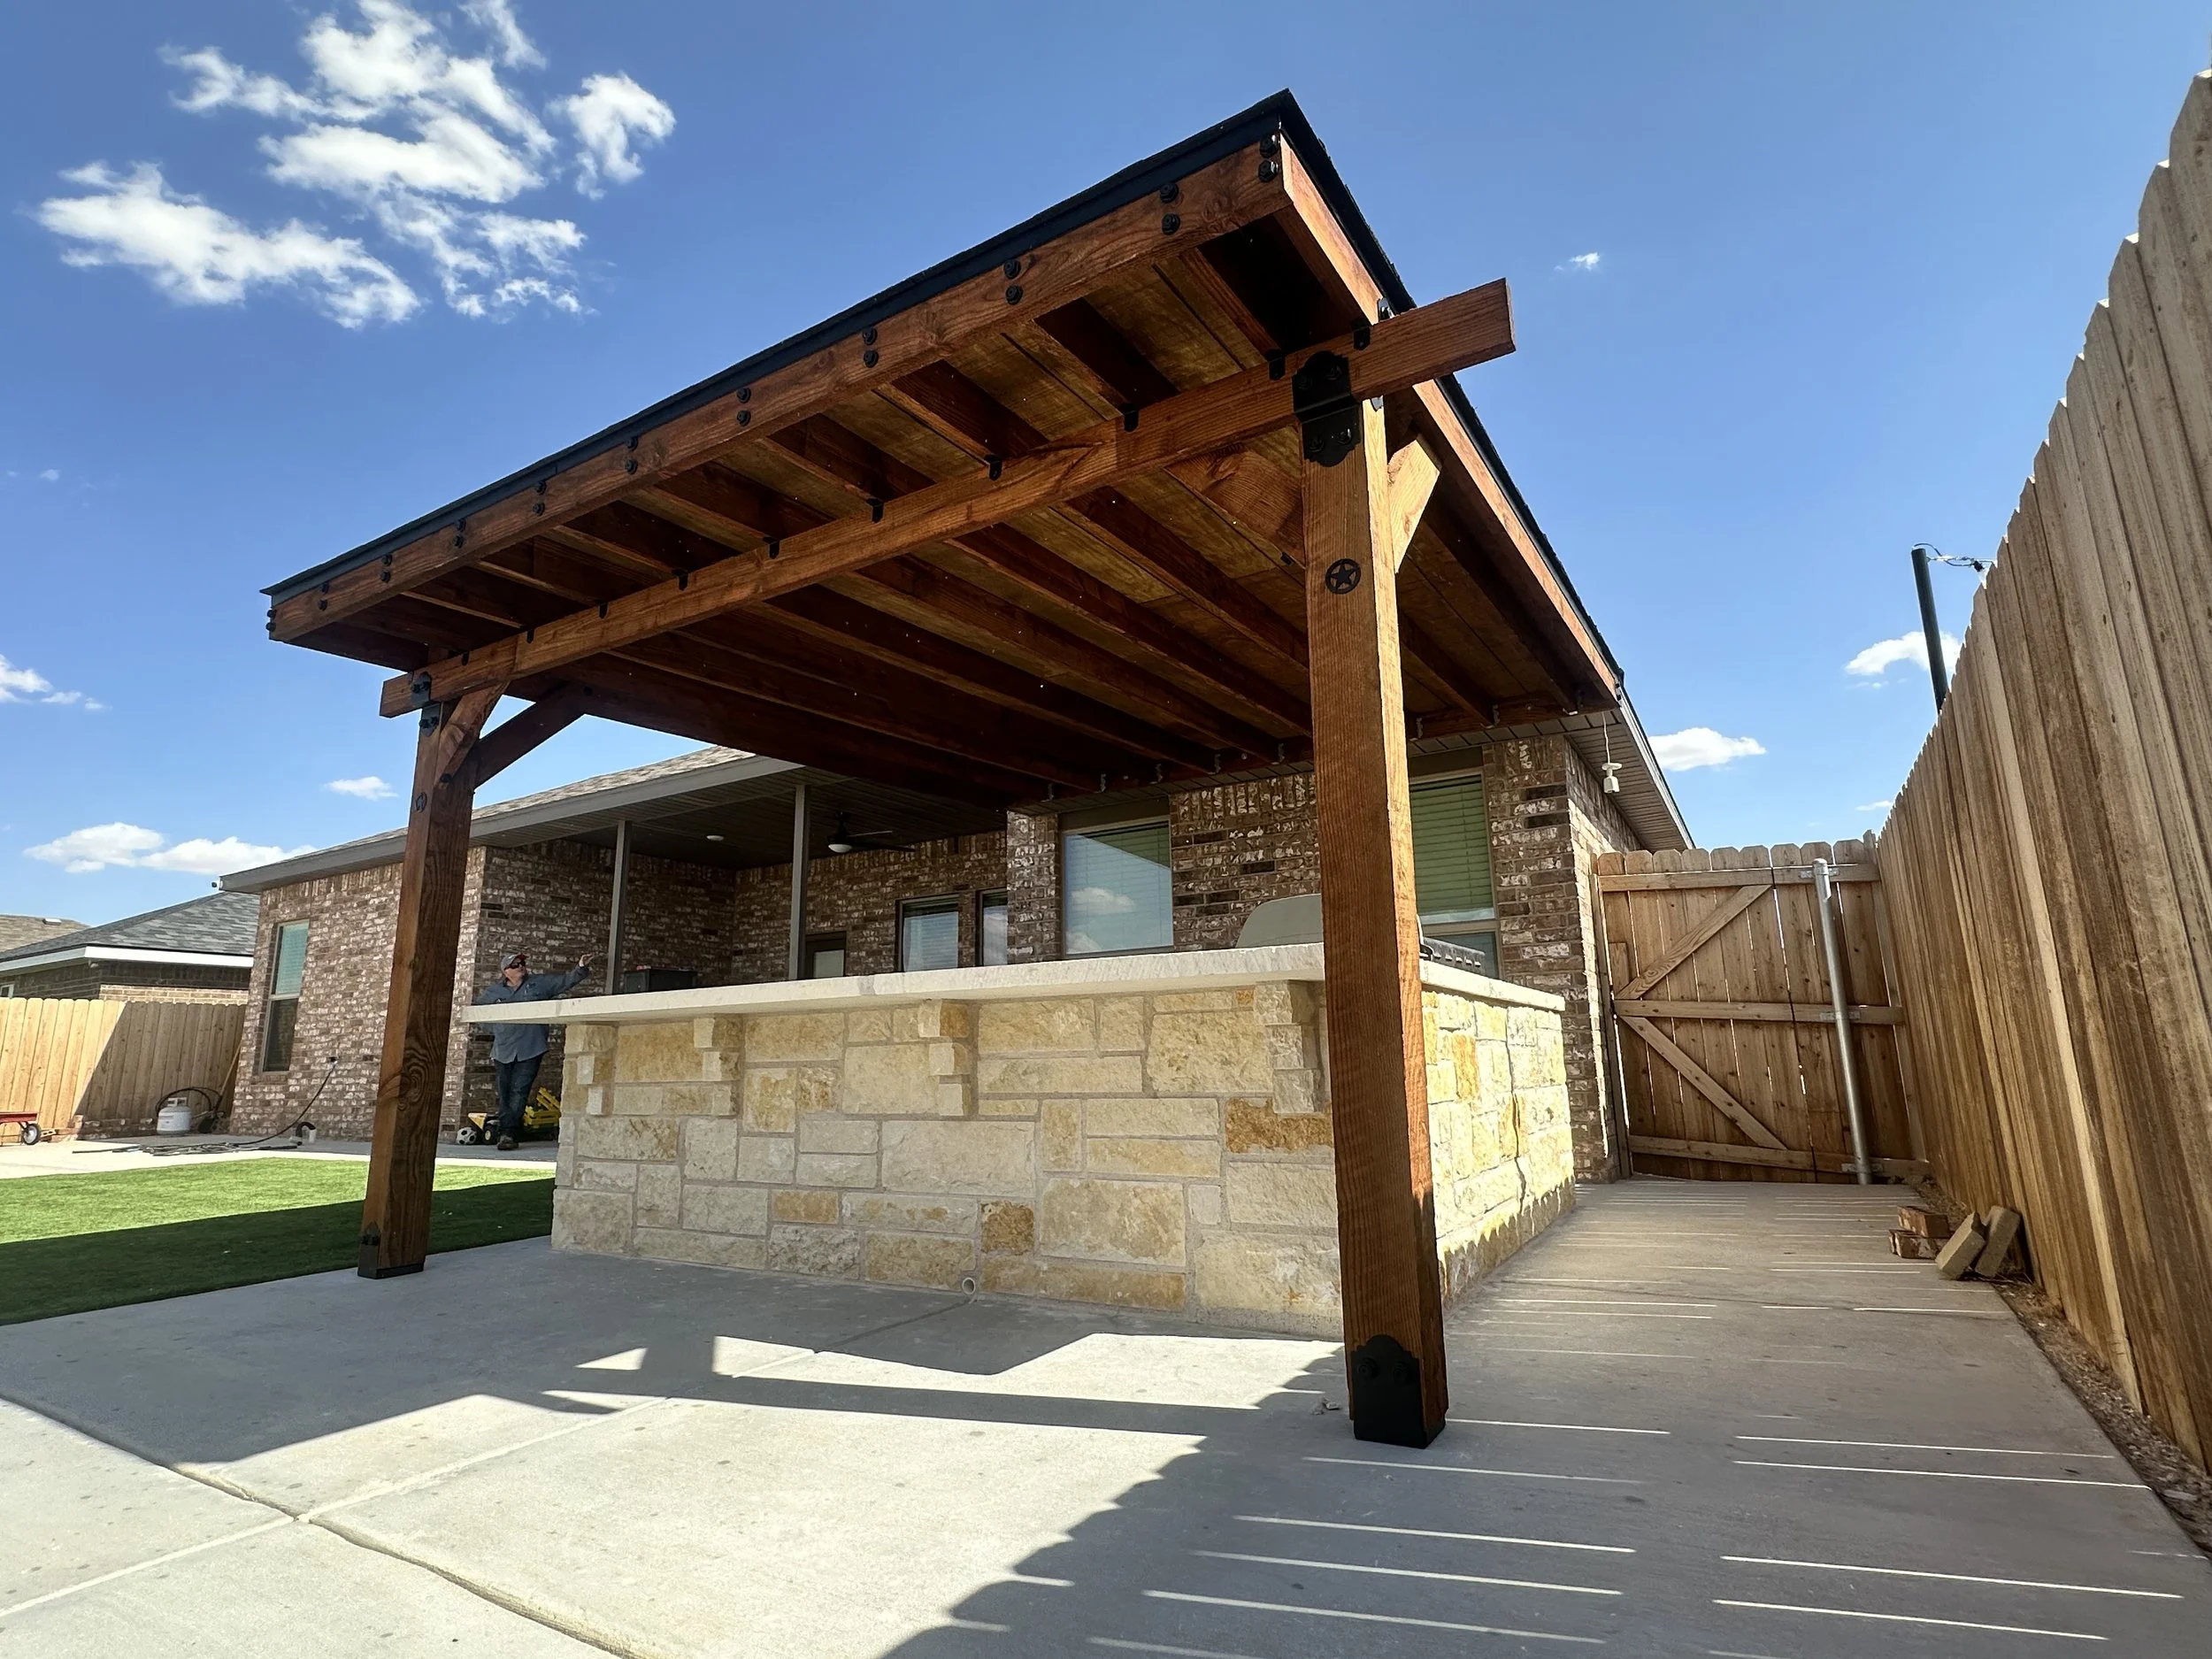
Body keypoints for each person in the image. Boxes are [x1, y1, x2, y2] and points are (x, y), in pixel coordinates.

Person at [473, 950, 595, 1149]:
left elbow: (565, 982)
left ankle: (508, 1134)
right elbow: (478, 1012)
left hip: (531, 1047)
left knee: (520, 1090)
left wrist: (581, 967)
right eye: (515, 965)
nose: (520, 966)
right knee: (504, 1092)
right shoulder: (494, 992)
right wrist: (497, 1028)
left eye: (522, 963)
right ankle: (507, 1131)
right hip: (503, 1049)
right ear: (505, 971)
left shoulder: (539, 984)